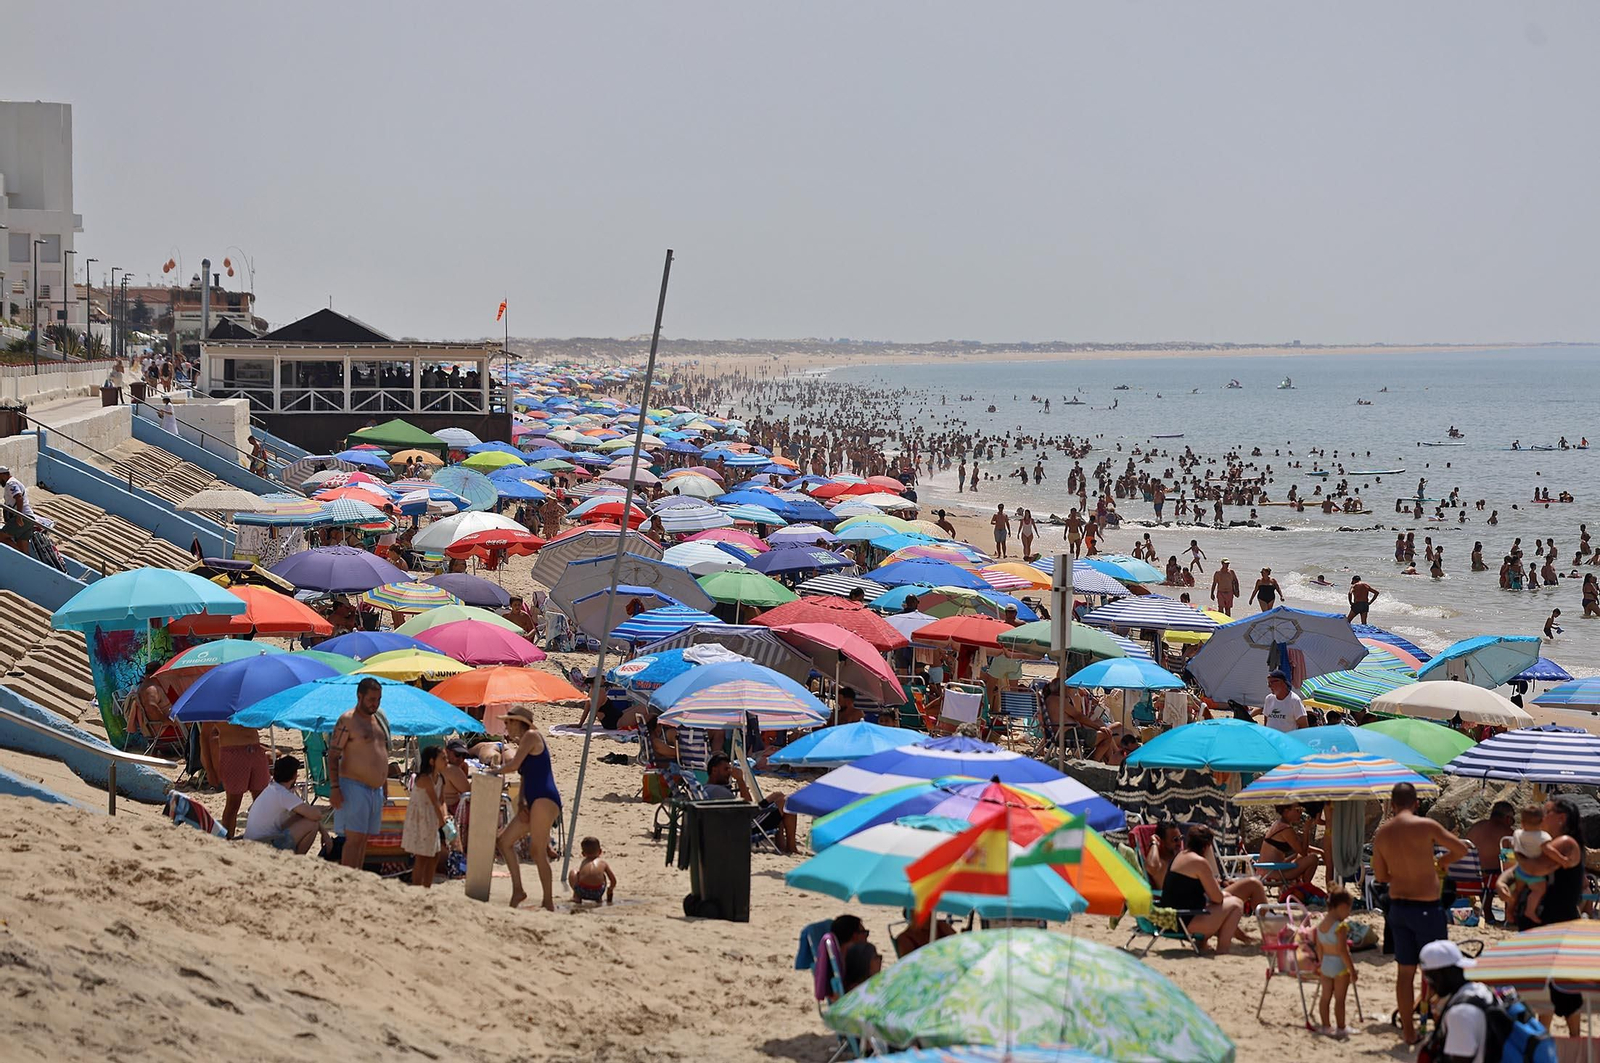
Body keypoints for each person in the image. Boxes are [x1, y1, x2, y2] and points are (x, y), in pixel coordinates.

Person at [1371, 781, 1469, 1046]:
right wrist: (1442, 862)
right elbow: (1461, 849)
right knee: (1438, 970)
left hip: (1398, 908)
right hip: (1426, 907)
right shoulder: (1426, 826)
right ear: (1415, 803)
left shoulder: (1382, 834)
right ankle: (1439, 1028)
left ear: (1392, 805)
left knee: (1405, 973)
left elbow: (1380, 876)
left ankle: (1408, 1033)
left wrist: (1402, 872)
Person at [1511, 797, 1587, 1033]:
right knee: (1546, 986)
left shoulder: (1564, 842)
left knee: (1560, 988)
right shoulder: (1548, 844)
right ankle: (1544, 1037)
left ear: (1561, 818)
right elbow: (1521, 872)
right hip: (1547, 920)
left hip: (1555, 921)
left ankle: (1574, 1042)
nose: (1542, 817)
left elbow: (1532, 869)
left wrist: (1518, 851)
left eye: (1547, 812)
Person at [488, 704, 562, 910]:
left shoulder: (531, 735)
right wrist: (521, 802)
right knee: (504, 842)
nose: (505, 727)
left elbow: (512, 767)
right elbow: (524, 775)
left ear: (518, 722)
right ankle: (519, 890)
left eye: (507, 722)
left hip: (544, 799)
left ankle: (548, 902)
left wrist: (494, 772)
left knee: (537, 851)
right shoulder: (525, 741)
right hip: (533, 800)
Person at [327, 676, 390, 870]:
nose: (375, 703)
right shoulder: (348, 720)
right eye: (371, 699)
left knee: (364, 840)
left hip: (375, 790)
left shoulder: (379, 718)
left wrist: (384, 784)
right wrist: (335, 788)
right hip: (354, 785)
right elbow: (333, 755)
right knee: (353, 839)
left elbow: (383, 753)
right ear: (359, 696)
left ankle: (357, 878)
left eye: (378, 699)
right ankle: (348, 878)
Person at [1161, 825, 1250, 954]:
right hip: (1182, 921)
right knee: (1236, 904)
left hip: (1171, 918)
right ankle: (1222, 950)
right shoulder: (1199, 862)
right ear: (1206, 846)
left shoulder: (1180, 856)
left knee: (1229, 899)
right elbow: (1217, 898)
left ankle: (1203, 944)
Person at [1418, 941, 1497, 1063]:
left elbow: (1460, 1058)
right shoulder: (1480, 990)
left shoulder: (1460, 1014)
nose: (1429, 986)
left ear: (1439, 975)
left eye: (1428, 978)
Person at [704, 751, 798, 853]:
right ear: (714, 770)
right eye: (726, 769)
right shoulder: (718, 791)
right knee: (787, 802)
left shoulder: (709, 788)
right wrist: (740, 780)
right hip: (747, 824)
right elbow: (747, 806)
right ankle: (791, 847)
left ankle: (781, 844)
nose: (729, 773)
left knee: (777, 795)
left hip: (740, 817)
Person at [240, 756, 329, 854]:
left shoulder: (272, 788)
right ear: (294, 775)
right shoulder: (283, 794)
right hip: (263, 845)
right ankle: (296, 861)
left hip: (252, 842)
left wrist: (323, 832)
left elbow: (306, 815)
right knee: (312, 824)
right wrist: (325, 834)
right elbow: (316, 815)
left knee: (302, 817)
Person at [212, 720, 271, 839]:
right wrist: (211, 769)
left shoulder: (247, 701)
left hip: (255, 748)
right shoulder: (216, 704)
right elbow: (207, 736)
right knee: (233, 802)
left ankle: (261, 837)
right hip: (233, 751)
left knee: (261, 800)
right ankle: (227, 839)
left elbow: (260, 724)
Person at [400, 746, 448, 887]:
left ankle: (427, 886)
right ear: (432, 761)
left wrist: (445, 816)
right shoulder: (425, 779)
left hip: (433, 818)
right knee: (422, 856)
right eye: (443, 758)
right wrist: (443, 825)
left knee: (434, 855)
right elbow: (434, 801)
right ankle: (417, 887)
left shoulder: (440, 779)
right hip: (421, 818)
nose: (447, 761)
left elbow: (441, 800)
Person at [1313, 887, 1357, 1038]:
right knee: (1340, 1000)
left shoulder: (1321, 926)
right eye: (1348, 910)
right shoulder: (1340, 927)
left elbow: (1319, 949)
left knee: (1325, 998)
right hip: (1339, 966)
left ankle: (1325, 1026)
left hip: (1326, 965)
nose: (1348, 914)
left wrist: (1320, 964)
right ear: (1342, 906)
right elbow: (1342, 950)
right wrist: (1351, 969)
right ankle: (1341, 1027)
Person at [1497, 805, 1551, 926]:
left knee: (1517, 891)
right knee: (1538, 890)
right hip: (1535, 872)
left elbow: (1515, 848)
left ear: (1522, 822)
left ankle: (1509, 911)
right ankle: (1530, 911)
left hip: (1521, 870)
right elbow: (1549, 851)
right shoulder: (1543, 837)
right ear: (1542, 822)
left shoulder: (1518, 834)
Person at [1259, 802, 1322, 885]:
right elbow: (1303, 851)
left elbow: (1299, 846)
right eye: (1297, 810)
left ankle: (1301, 887)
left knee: (1299, 856)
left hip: (1269, 869)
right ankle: (1304, 888)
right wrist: (1307, 830)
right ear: (1286, 811)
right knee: (1313, 859)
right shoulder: (1285, 829)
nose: (1301, 813)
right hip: (1273, 872)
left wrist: (1321, 852)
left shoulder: (1280, 824)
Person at [568, 836, 617, 905]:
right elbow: (613, 880)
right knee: (603, 876)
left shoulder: (584, 862)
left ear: (583, 854)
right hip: (597, 892)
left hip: (582, 891)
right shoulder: (603, 863)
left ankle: (576, 896)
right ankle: (599, 899)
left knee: (573, 872)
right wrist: (610, 890)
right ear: (600, 851)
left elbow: (581, 877)